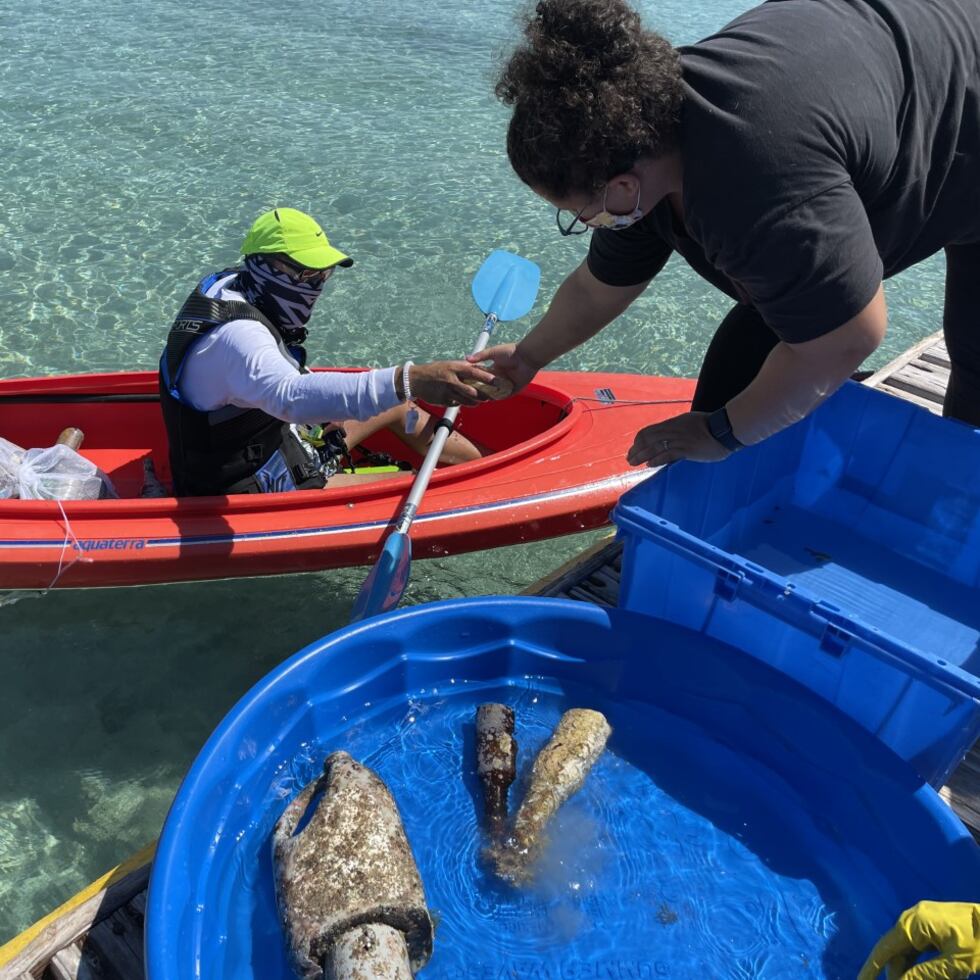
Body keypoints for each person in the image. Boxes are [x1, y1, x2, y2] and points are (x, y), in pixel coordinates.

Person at [472, 0, 980, 468]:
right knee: (776, 332)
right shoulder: (639, 129)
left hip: (959, 92)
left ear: (623, 187)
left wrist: (723, 435)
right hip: (897, 73)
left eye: (577, 213)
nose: (584, 224)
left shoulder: (759, 181)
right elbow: (599, 285)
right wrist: (528, 356)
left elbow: (851, 334)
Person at [160, 208, 495, 496]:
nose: (317, 286)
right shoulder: (238, 335)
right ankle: (478, 489)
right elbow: (290, 397)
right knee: (414, 485)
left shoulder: (231, 286)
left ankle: (490, 469)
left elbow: (273, 376)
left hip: (271, 440)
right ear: (264, 267)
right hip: (245, 486)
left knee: (398, 405)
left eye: (324, 275)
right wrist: (410, 378)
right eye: (307, 274)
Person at [858, 900, 980, 979]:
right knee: (888, 963)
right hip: (916, 927)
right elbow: (916, 976)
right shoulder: (973, 956)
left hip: (921, 913)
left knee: (879, 961)